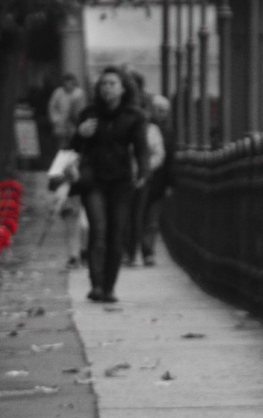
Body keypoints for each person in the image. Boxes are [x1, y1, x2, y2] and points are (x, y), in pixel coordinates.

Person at [71, 66, 149, 303]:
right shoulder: (89, 114)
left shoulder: (134, 116)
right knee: (99, 231)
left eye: (112, 84)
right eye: (103, 84)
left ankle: (109, 287)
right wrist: (80, 134)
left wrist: (143, 172)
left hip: (121, 182)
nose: (107, 88)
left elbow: (141, 149)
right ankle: (96, 285)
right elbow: (73, 149)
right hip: (93, 180)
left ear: (123, 88)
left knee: (117, 235)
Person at [125, 96, 168, 267]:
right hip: (124, 176)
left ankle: (138, 251)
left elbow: (159, 154)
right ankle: (129, 251)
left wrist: (145, 168)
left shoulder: (152, 130)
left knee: (139, 215)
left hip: (143, 177)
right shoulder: (126, 128)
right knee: (127, 216)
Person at [47, 74, 86, 153]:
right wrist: (55, 119)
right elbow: (52, 106)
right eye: (66, 83)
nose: (69, 86)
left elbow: (82, 108)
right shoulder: (58, 92)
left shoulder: (79, 93)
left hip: (74, 123)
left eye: (71, 83)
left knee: (75, 143)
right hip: (61, 123)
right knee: (61, 146)